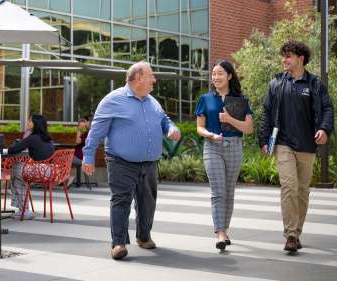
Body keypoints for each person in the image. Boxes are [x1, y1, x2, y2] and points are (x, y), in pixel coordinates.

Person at [82, 61, 181, 260]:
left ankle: (144, 237)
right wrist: (88, 156)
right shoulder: (112, 100)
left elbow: (164, 120)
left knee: (147, 202)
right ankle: (118, 243)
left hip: (150, 163)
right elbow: (96, 131)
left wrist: (171, 128)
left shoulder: (153, 101)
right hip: (121, 161)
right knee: (121, 200)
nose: (154, 79)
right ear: (138, 78)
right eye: (151, 75)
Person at [258, 40, 334, 252]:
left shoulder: (315, 84)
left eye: (288, 56)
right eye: (283, 56)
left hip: (308, 145)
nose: (284, 60)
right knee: (289, 186)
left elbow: (327, 108)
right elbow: (266, 112)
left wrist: (325, 129)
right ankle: (290, 234)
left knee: (302, 191)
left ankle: (297, 232)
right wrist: (264, 139)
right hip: (283, 144)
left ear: (300, 58)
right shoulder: (276, 84)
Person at [195, 59, 253, 251]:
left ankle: (225, 230)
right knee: (218, 192)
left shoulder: (241, 101)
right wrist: (210, 135)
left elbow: (248, 128)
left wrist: (229, 119)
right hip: (212, 147)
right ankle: (220, 233)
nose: (216, 77)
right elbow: (199, 128)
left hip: (235, 146)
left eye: (220, 73)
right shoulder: (205, 99)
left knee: (229, 192)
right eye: (213, 74)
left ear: (229, 76)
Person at [7, 114, 55, 220]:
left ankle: (24, 210)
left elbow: (12, 150)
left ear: (35, 124)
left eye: (29, 121)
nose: (27, 123)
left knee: (15, 168)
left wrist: (17, 143)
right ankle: (23, 209)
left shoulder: (32, 138)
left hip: (42, 171)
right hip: (53, 170)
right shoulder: (48, 138)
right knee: (18, 176)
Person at [71, 115, 92, 187]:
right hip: (79, 156)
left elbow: (77, 141)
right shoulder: (88, 133)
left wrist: (79, 129)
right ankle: (65, 178)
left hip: (81, 158)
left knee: (63, 158)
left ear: (90, 122)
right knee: (64, 156)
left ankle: (65, 178)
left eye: (84, 121)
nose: (82, 123)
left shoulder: (90, 133)